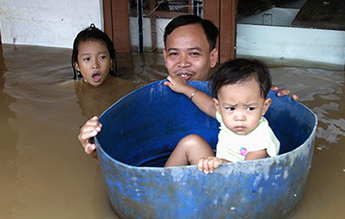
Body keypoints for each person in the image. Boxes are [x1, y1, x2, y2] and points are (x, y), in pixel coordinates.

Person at [78, 14, 295, 158]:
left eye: (193, 53)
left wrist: (282, 106)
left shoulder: (237, 97)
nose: (183, 63)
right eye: (174, 54)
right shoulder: (146, 102)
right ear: (164, 57)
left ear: (213, 57)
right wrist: (98, 151)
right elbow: (121, 160)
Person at [164, 58, 280, 173]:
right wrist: (185, 89)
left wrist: (220, 163)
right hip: (216, 171)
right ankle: (162, 183)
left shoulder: (261, 136)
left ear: (264, 107)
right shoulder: (227, 117)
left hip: (239, 186)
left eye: (250, 108)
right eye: (231, 108)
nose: (239, 117)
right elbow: (208, 105)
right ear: (218, 106)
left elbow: (246, 172)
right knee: (190, 142)